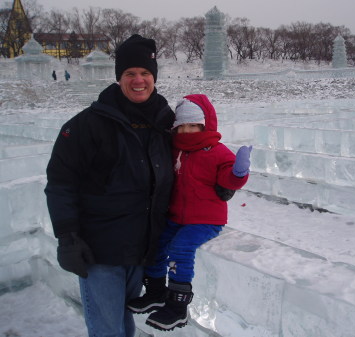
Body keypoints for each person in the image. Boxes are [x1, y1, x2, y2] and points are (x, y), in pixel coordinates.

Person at [44, 34, 175, 337]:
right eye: (130, 73)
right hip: (100, 253)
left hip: (145, 250)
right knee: (107, 330)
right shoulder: (86, 125)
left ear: (154, 77)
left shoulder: (165, 123)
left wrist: (221, 184)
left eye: (145, 73)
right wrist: (68, 237)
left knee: (125, 325)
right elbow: (61, 183)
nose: (139, 80)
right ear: (119, 78)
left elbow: (188, 168)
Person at [126, 94, 252, 331]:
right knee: (156, 244)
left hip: (205, 220)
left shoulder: (217, 151)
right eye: (182, 126)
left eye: (192, 125)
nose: (187, 131)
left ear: (204, 125)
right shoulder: (175, 150)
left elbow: (228, 182)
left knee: (180, 248)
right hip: (176, 216)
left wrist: (238, 172)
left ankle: (177, 306)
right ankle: (155, 292)